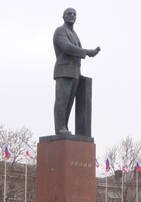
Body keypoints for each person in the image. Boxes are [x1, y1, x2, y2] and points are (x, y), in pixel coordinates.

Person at [53, 7, 100, 135]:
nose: (72, 15)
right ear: (63, 16)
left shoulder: (74, 34)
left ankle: (65, 127)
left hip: (75, 73)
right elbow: (67, 47)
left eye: (74, 14)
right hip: (63, 70)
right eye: (69, 13)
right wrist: (87, 52)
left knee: (69, 103)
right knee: (62, 101)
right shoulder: (60, 31)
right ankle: (60, 128)